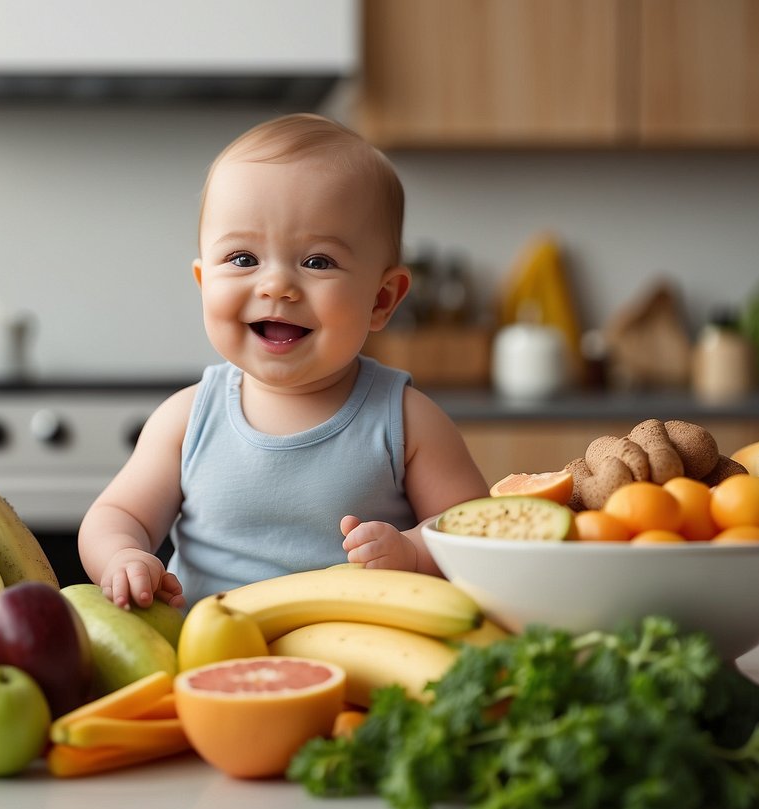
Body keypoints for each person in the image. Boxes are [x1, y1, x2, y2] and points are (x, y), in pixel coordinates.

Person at [78, 113, 487, 611]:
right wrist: (122, 555)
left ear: (381, 300)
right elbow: (117, 514)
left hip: (360, 659)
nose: (276, 286)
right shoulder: (187, 419)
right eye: (244, 259)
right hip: (206, 660)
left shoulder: (408, 420)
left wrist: (413, 551)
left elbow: (474, 531)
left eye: (317, 262)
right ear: (205, 282)